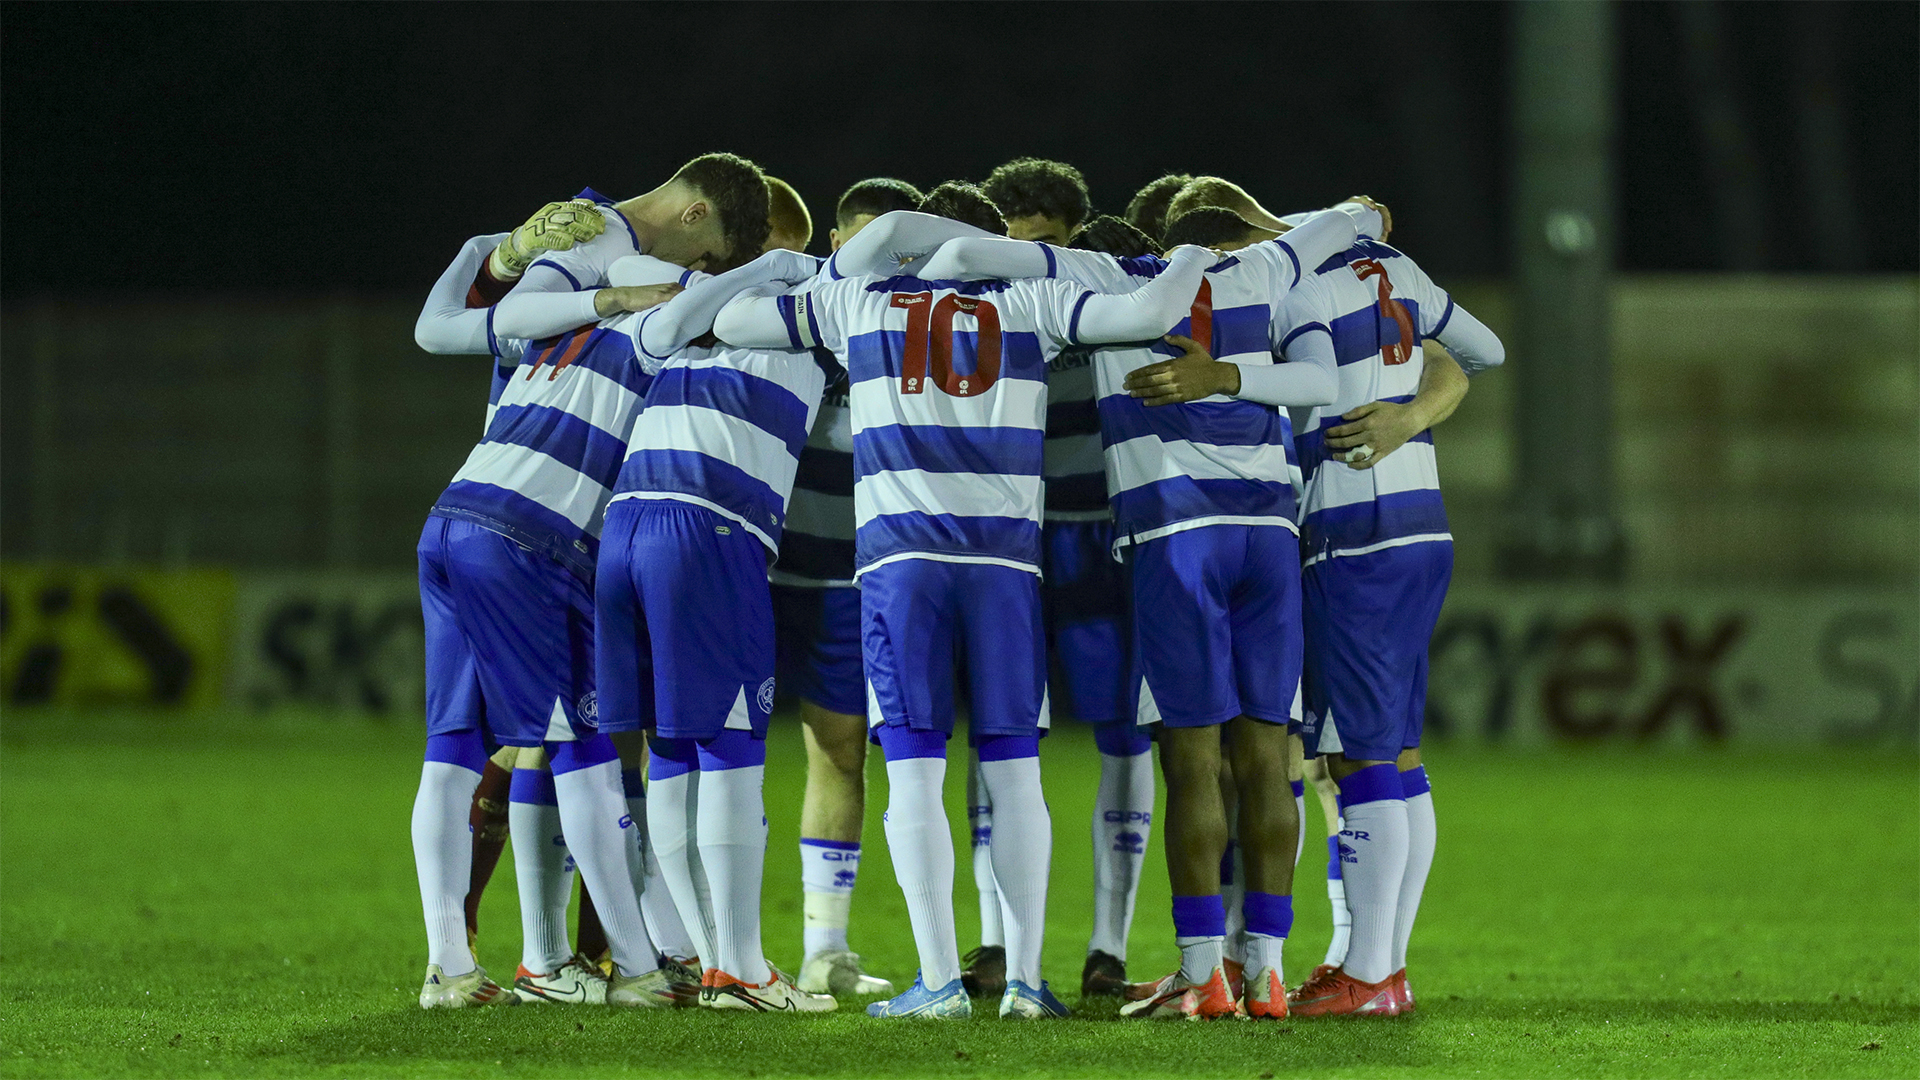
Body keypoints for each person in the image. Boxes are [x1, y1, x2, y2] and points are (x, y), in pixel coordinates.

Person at [712, 185, 1218, 1020]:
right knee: (1016, 770)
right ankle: (1024, 982)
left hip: (902, 562)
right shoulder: (1033, 295)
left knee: (914, 768)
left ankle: (941, 981)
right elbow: (1157, 305)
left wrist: (813, 263)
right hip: (1005, 564)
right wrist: (1193, 251)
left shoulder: (856, 297)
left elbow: (732, 323)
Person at [911, 197, 1385, 1020]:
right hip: (1271, 530)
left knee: (1192, 759)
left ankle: (1202, 976)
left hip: (1178, 534)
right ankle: (1263, 973)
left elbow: (968, 265)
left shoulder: (1095, 279)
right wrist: (1332, 216)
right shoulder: (1264, 270)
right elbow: (1352, 220)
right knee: (1268, 756)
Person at [593, 190, 840, 1011]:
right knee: (731, 745)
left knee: (667, 747)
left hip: (624, 523)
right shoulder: (800, 300)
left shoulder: (669, 297)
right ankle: (741, 970)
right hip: (712, 526)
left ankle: (692, 953)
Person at [779, 178, 925, 1000]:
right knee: (686, 746)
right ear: (834, 247)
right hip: (752, 565)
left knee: (839, 752)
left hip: (845, 572)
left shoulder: (913, 326)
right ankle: (681, 944)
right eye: (864, 243)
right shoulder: (788, 306)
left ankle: (824, 952)